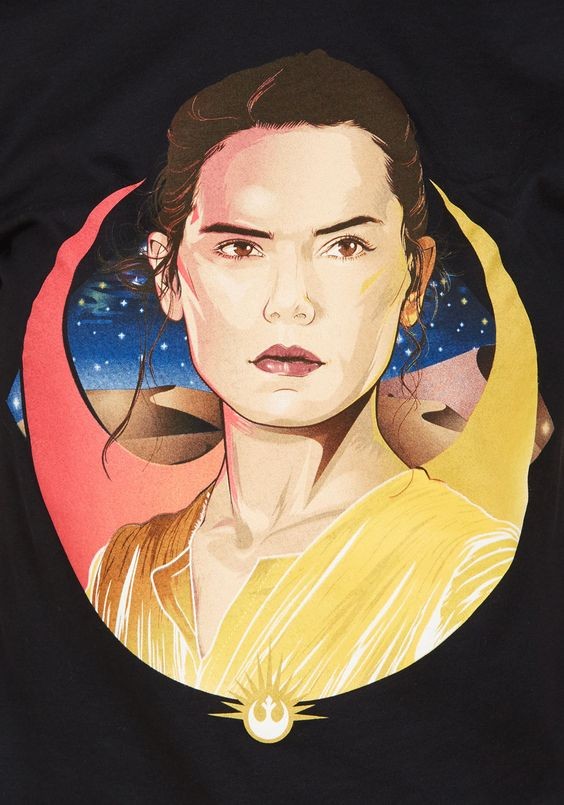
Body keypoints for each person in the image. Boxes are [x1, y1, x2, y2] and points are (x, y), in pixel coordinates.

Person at [39, 50, 538, 705]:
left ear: (414, 278)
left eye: (345, 246)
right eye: (240, 247)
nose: (290, 302)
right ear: (169, 274)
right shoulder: (124, 570)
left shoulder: (466, 566)